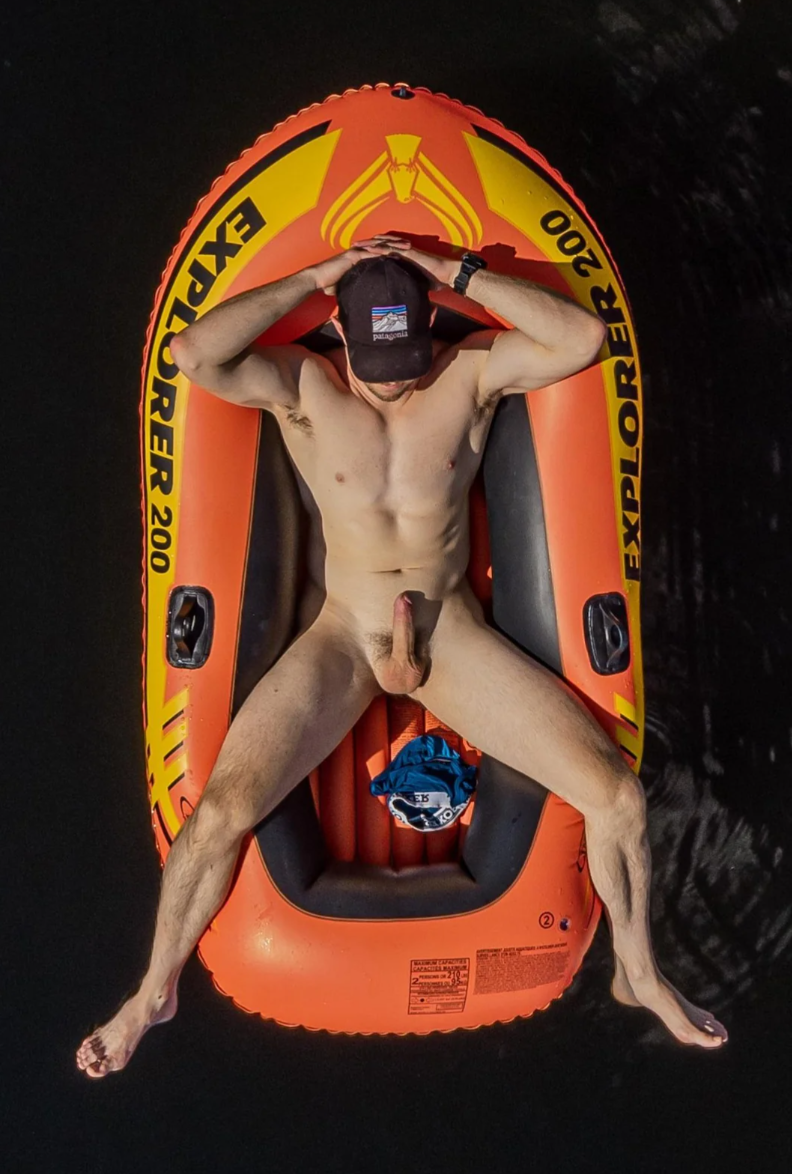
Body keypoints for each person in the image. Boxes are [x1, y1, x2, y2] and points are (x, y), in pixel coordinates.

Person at [77, 235, 727, 1077]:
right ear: (340, 334)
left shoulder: (468, 375)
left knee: (619, 798)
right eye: (377, 363)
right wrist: (311, 278)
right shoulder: (303, 388)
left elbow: (583, 339)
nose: (393, 380)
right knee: (222, 809)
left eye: (408, 358)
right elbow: (193, 354)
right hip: (344, 638)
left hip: (452, 636)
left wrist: (458, 273)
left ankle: (637, 973)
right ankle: (152, 993)